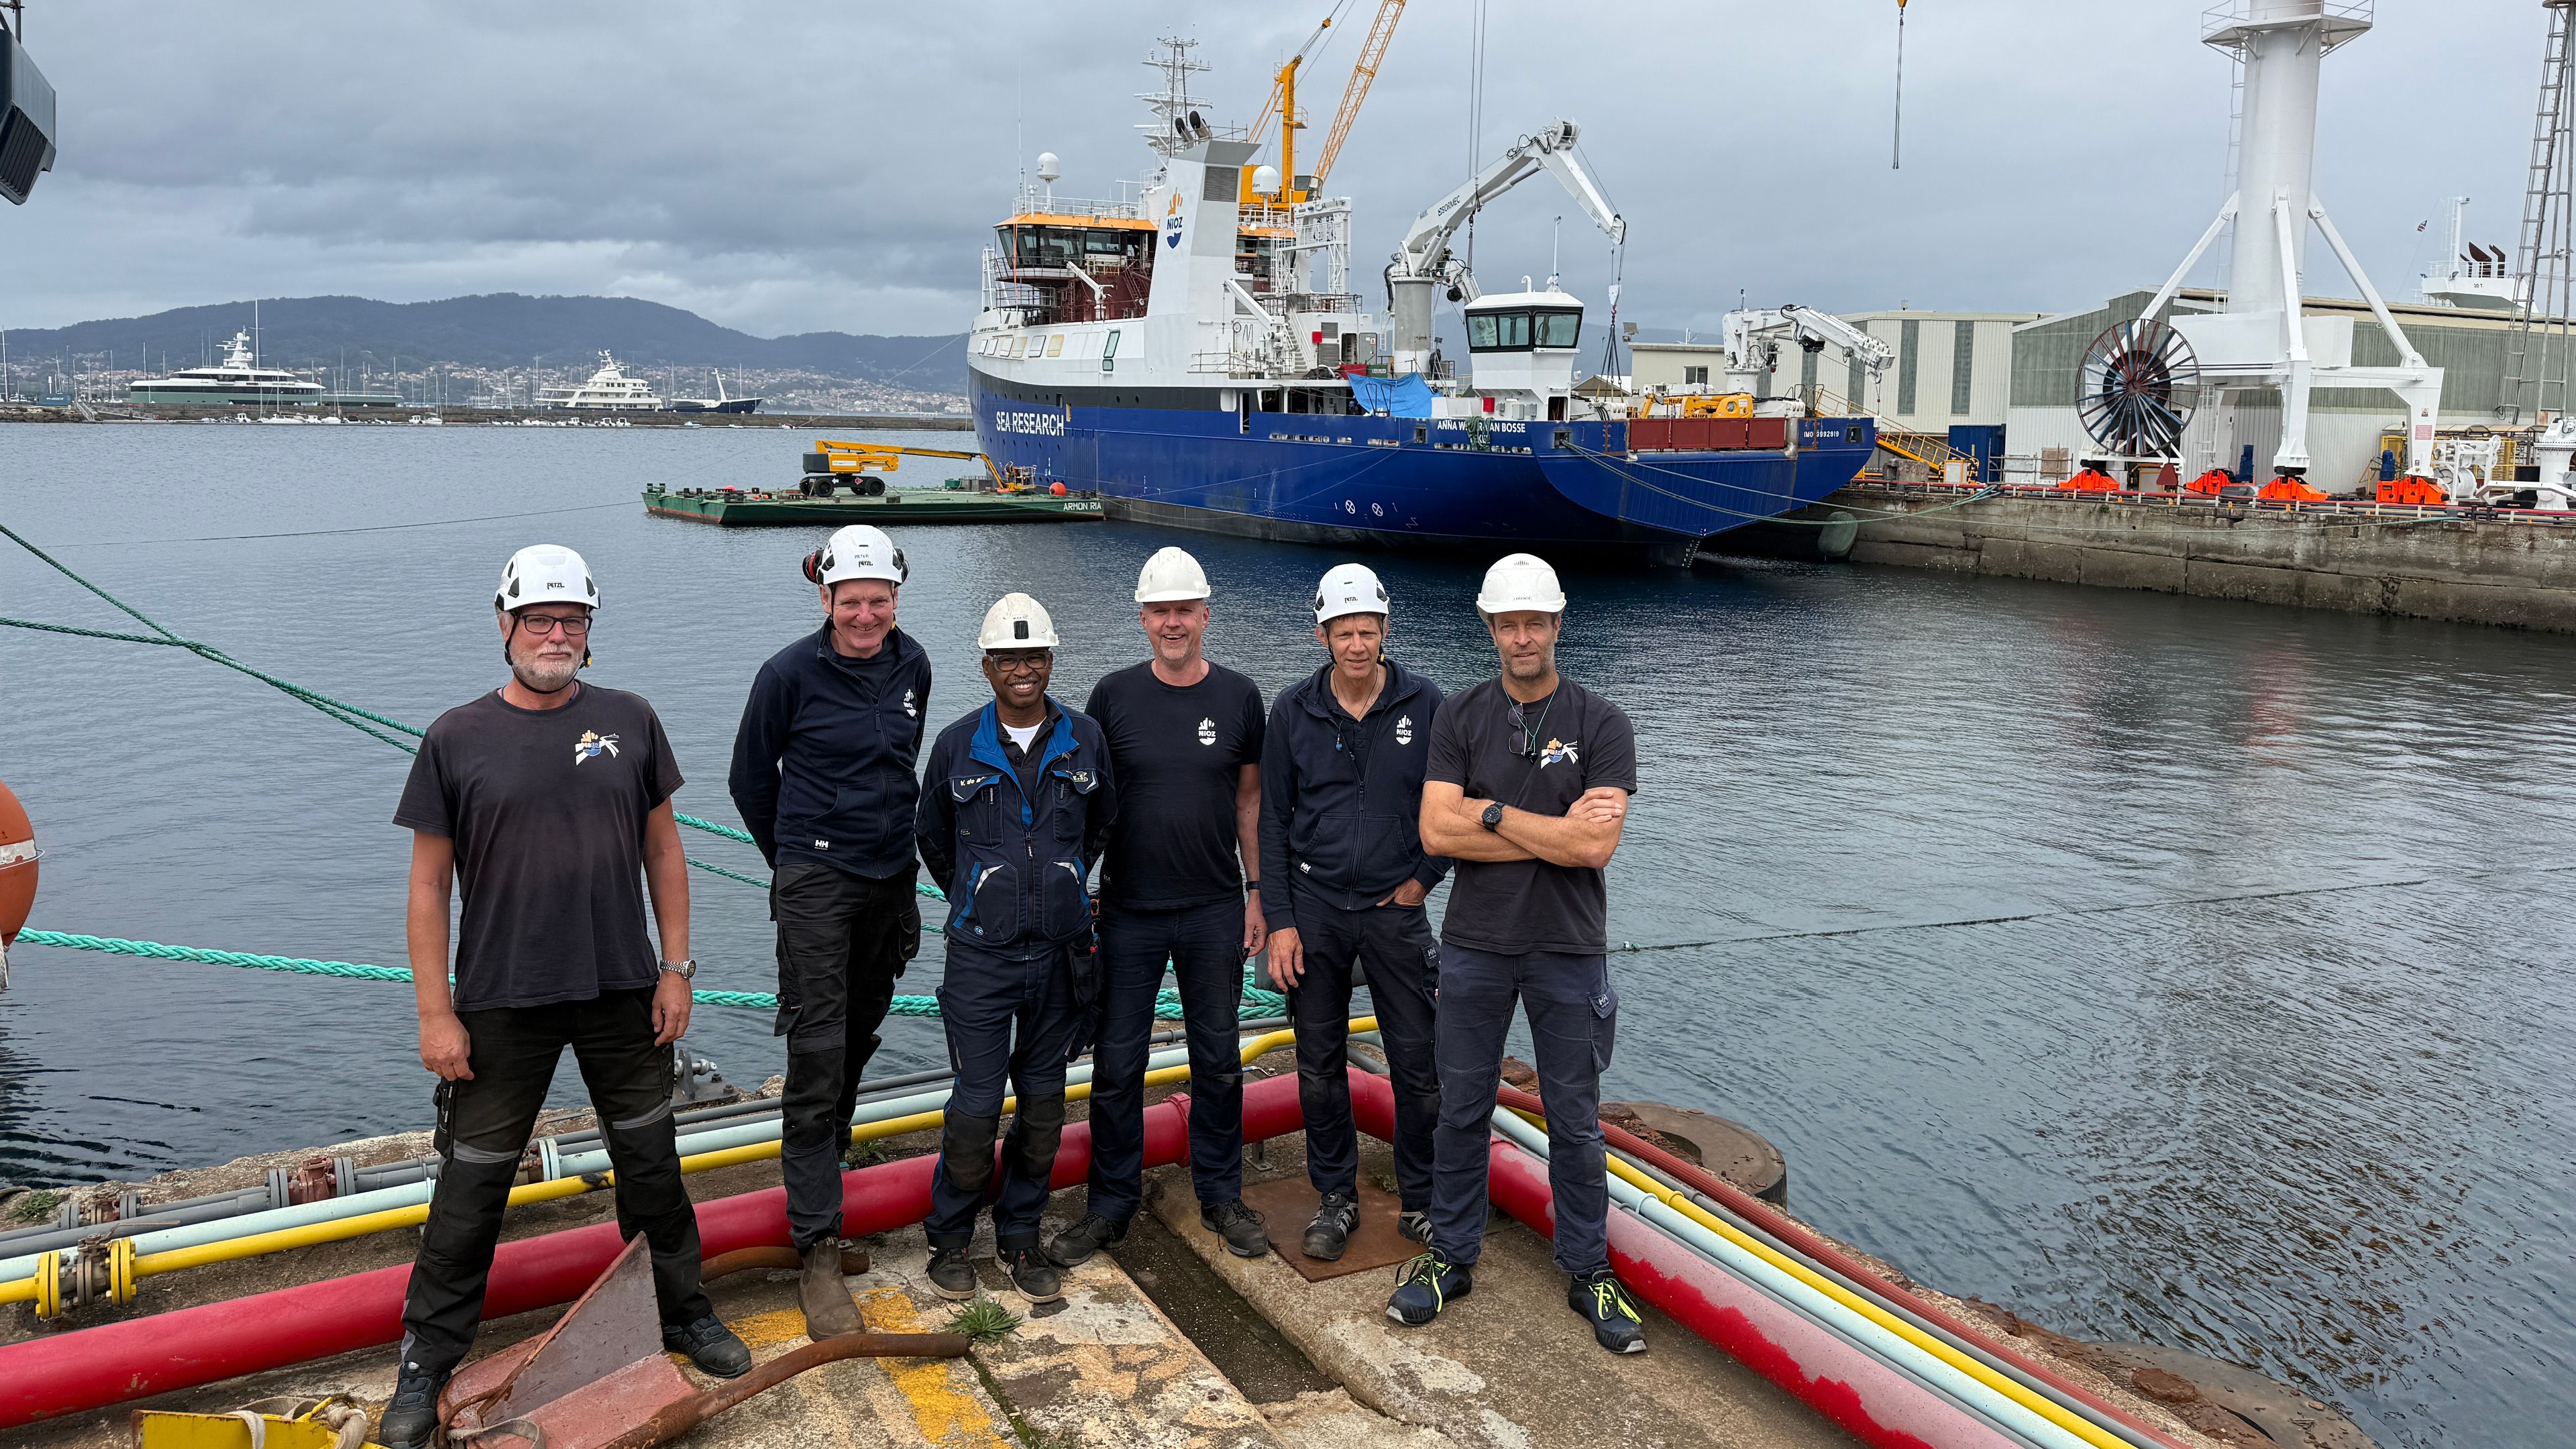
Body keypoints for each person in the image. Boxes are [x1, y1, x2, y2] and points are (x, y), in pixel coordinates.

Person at [380, 546, 749, 1449]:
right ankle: (427, 1358)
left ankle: (685, 1313)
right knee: (471, 1185)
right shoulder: (455, 737)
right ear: (503, 625)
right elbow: (428, 888)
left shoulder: (630, 720)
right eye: (540, 620)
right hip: (503, 999)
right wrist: (436, 1012)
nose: (556, 635)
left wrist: (678, 968)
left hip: (624, 988)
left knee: (652, 1167)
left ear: (590, 633)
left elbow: (667, 853)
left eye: (572, 622)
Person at [1388, 553, 1646, 1354]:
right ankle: (1450, 1256)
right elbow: (1435, 832)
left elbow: (1596, 851)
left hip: (1569, 949)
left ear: (1558, 625)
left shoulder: (1603, 722)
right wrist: (1553, 831)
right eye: (1509, 623)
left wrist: (1490, 814)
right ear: (1491, 628)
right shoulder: (1460, 716)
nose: (1522, 636)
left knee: (1575, 1120)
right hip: (1474, 948)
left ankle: (1588, 1268)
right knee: (1461, 1109)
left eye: (1535, 622)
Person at [727, 523, 932, 1338]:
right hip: (816, 879)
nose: (866, 615)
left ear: (894, 599)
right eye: (852, 602)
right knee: (815, 1051)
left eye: (879, 601)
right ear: (826, 599)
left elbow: (902, 766)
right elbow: (750, 777)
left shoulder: (912, 661)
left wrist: (902, 876)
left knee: (858, 1031)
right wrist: (799, 856)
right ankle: (816, 1245)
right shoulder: (787, 674)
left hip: (889, 877)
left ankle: (832, 1182)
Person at [1047, 547, 1271, 1268]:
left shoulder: (1240, 698)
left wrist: (1258, 893)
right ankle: (1111, 1204)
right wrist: (1074, 888)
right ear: (1143, 619)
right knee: (1118, 1064)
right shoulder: (1111, 697)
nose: (1173, 623)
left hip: (1212, 907)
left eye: (1185, 611)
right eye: (1160, 612)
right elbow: (1090, 802)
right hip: (1130, 910)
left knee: (1219, 1059)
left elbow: (1249, 802)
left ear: (1206, 616)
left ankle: (1221, 1194)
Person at [916, 593, 1117, 1303]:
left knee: (1042, 1105)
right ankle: (950, 1238)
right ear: (987, 667)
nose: (1023, 670)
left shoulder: (1085, 739)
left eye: (1034, 658)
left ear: (1051, 661)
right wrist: (981, 894)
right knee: (974, 1107)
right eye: (1009, 659)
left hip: (1062, 957)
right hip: (981, 958)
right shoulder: (955, 746)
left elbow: (1101, 828)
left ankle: (1021, 1237)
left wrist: (1062, 887)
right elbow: (933, 838)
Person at [1260, 564, 1450, 1260]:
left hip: (1395, 912)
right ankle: (1336, 1197)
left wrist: (1424, 880)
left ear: (1385, 631)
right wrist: (1280, 922)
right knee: (1317, 1064)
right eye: (1344, 633)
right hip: (1314, 912)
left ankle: (1424, 1199)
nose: (1357, 644)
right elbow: (1273, 823)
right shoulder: (1293, 711)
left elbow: (1454, 804)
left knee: (1419, 1065)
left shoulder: (1428, 705)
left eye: (1368, 631)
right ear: (1322, 635)